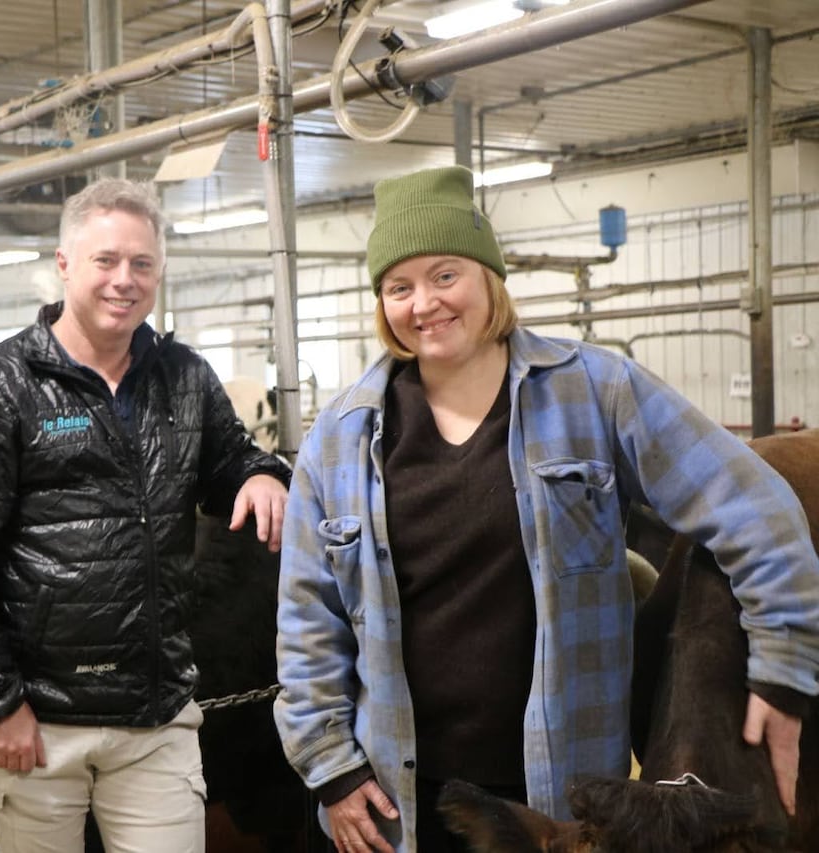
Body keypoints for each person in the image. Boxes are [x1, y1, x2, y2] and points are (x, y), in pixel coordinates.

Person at [273, 166, 819, 853]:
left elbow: (757, 508)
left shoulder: (595, 390)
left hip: (559, 810)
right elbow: (305, 621)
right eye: (399, 286)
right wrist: (331, 769)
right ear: (383, 304)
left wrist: (782, 671)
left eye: (446, 275)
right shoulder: (340, 436)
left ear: (488, 278)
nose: (424, 303)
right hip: (400, 806)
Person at [0, 177, 290, 853]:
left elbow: (230, 461)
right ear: (63, 265)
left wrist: (260, 474)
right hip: (39, 722)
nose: (124, 280)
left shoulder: (185, 377)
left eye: (142, 264)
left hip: (157, 717)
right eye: (105, 261)